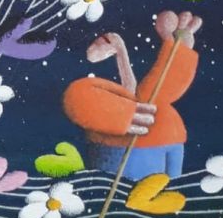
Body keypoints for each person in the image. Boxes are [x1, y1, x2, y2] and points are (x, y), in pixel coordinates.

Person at [62, 10, 203, 181]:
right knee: (149, 97)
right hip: (138, 148)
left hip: (161, 141)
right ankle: (178, 51)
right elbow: (78, 97)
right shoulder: (101, 93)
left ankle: (178, 50)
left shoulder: (148, 99)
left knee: (151, 97)